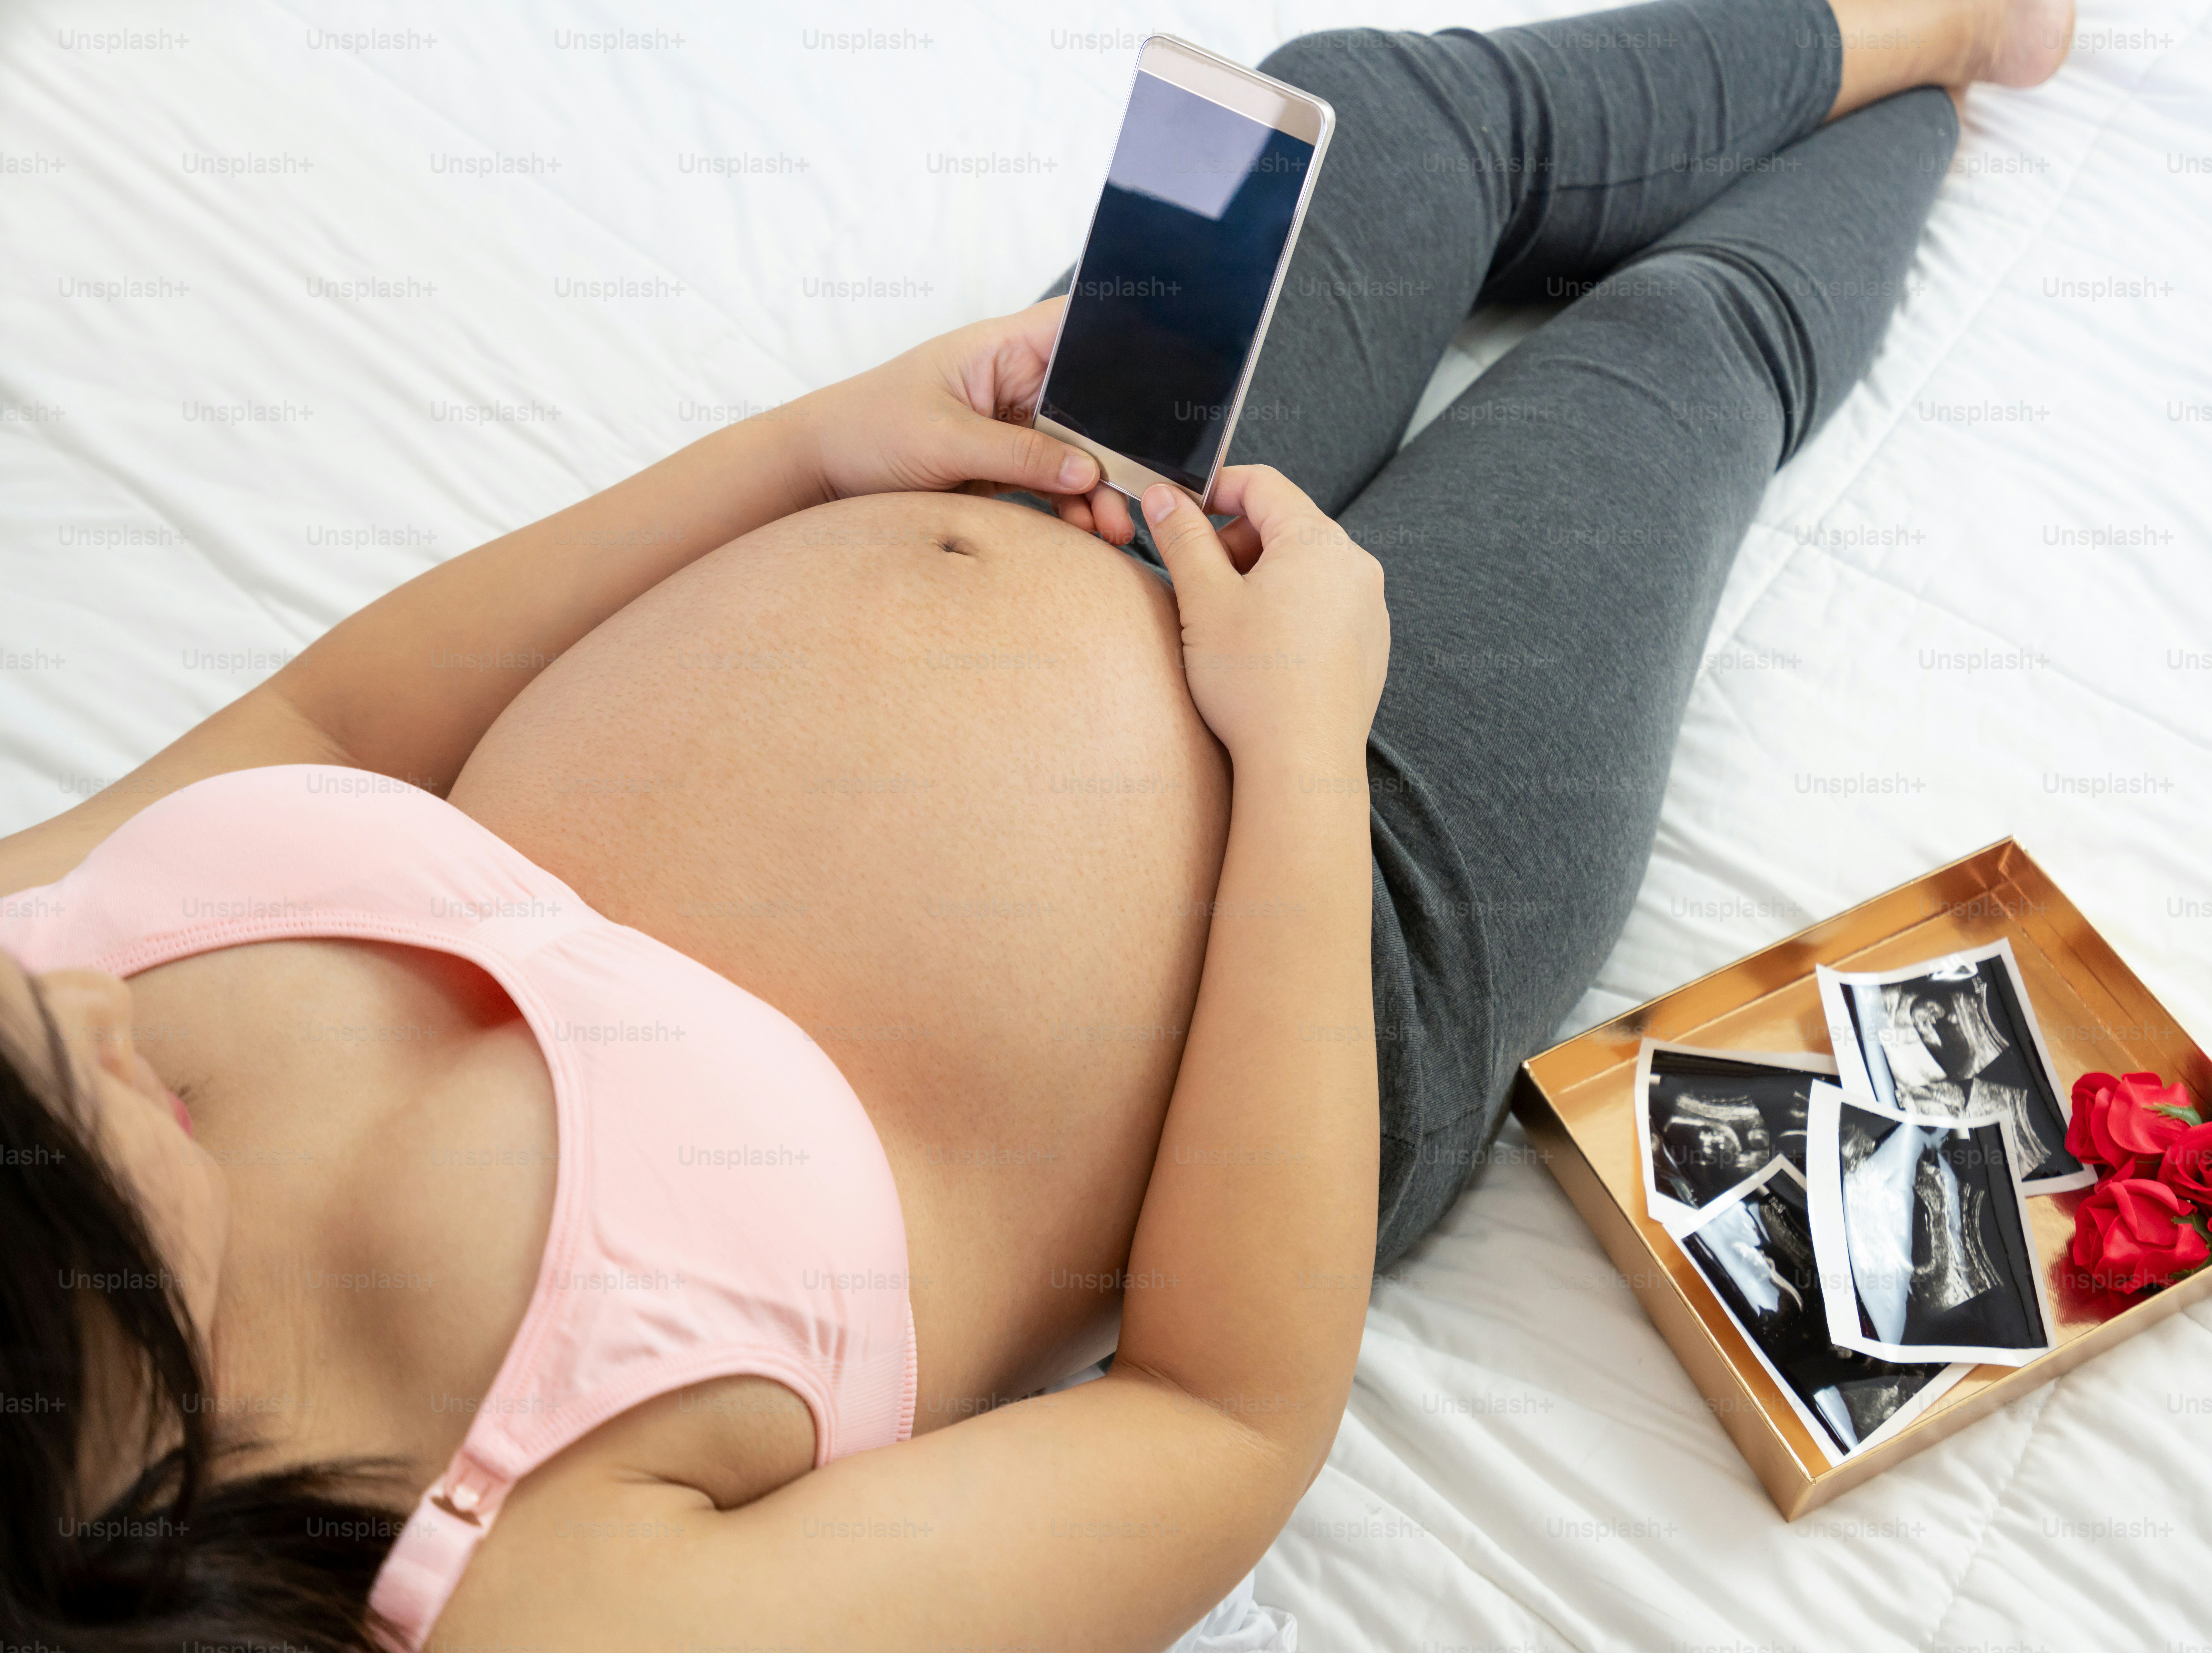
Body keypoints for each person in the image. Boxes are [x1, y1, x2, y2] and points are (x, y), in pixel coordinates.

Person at [0, 0, 2069, 1646]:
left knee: (1357, 108)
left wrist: (809, 451)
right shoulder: (522, 1602)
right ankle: (1970, 54)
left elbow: (329, 715)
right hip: (1330, 913)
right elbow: (1214, 1422)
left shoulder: (28, 1006)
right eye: (64, 1122)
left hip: (1055, 480)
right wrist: (1296, 750)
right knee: (1675, 361)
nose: (81, 1013)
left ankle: (1901, 7)